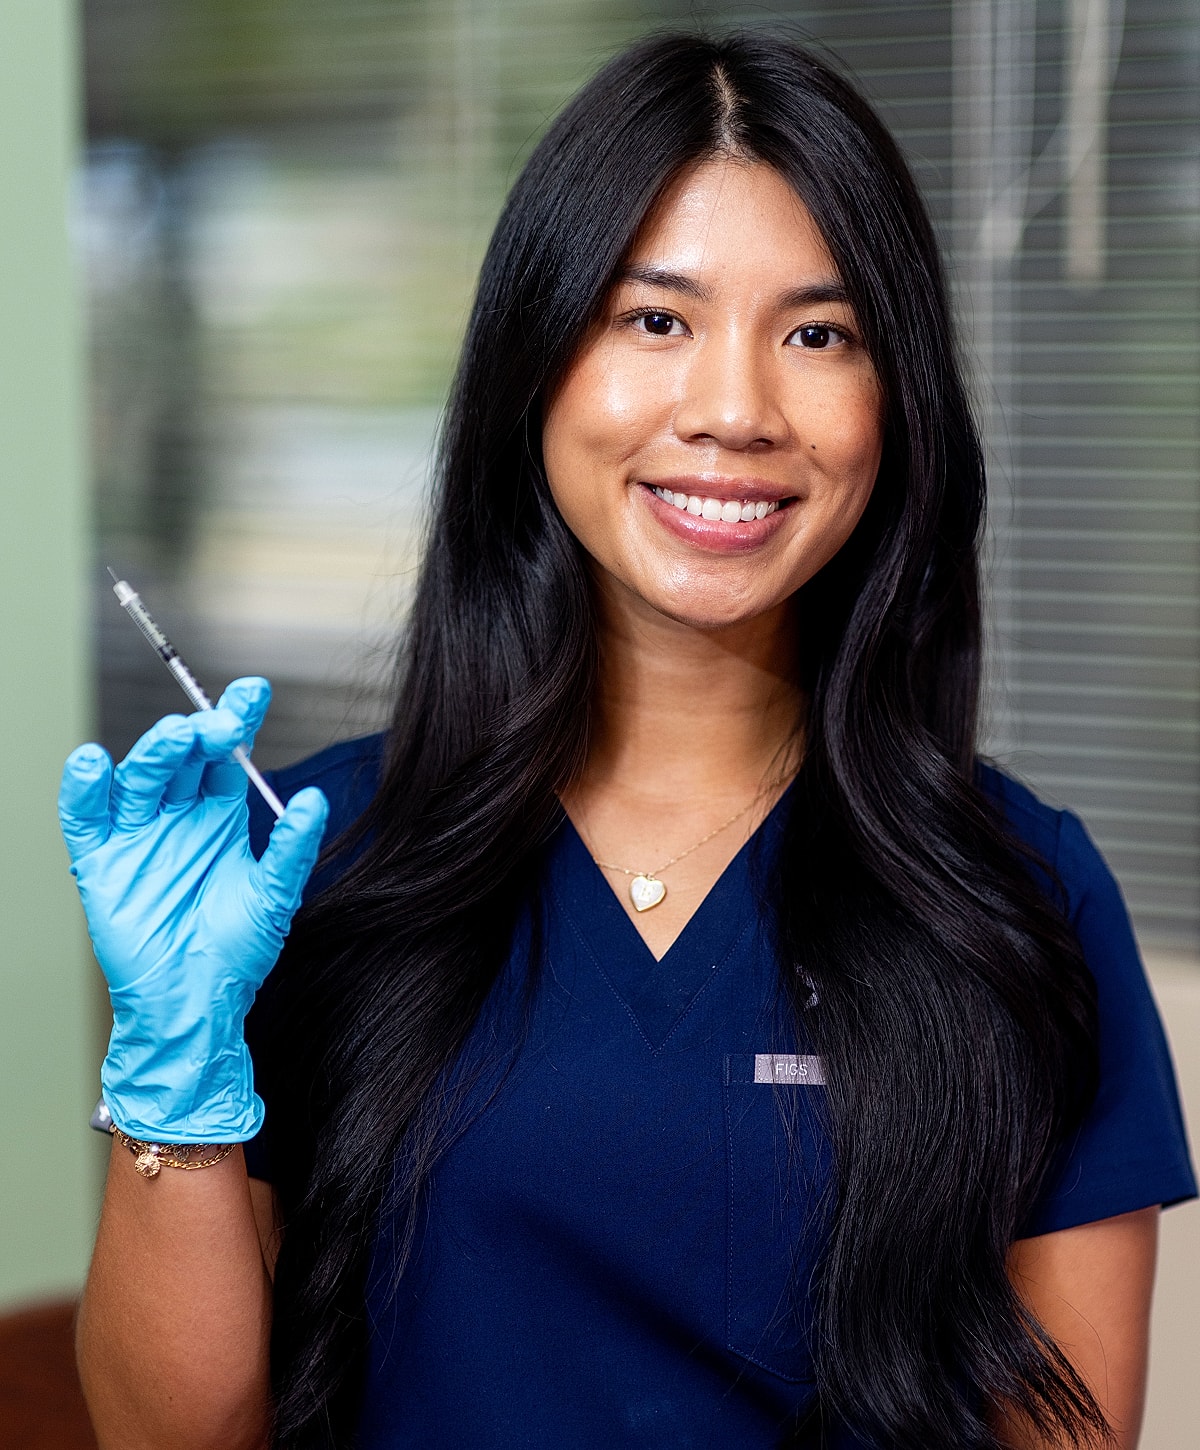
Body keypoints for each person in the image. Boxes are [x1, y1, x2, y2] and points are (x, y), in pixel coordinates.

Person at [58, 30, 1194, 1450]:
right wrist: (173, 1074)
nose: (732, 409)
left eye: (818, 333)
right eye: (654, 320)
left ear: (893, 405)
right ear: (535, 366)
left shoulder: (1025, 894)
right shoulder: (306, 868)